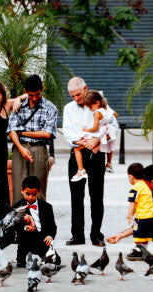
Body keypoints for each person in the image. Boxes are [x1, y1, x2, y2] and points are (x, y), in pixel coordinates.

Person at [62, 77, 107, 247]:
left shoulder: (98, 102)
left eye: (78, 94)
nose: (76, 98)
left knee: (96, 196)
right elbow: (67, 131)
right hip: (77, 153)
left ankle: (96, 234)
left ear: (85, 88)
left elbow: (109, 125)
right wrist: (81, 141)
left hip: (95, 153)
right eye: (72, 96)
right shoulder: (68, 109)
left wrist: (96, 139)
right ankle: (77, 235)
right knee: (76, 196)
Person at [7, 74, 58, 202]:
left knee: (38, 190)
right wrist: (21, 148)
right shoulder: (18, 106)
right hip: (20, 149)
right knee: (19, 190)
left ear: (42, 88)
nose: (34, 98)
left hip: (39, 149)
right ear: (25, 92)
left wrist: (22, 132)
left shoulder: (50, 108)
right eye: (31, 95)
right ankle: (19, 219)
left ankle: (39, 220)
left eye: (37, 94)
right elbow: (11, 130)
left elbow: (47, 133)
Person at [71, 90, 118, 182]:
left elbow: (94, 128)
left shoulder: (97, 113)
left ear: (97, 102)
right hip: (103, 133)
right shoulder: (107, 110)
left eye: (90, 107)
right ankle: (108, 163)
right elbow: (116, 115)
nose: (90, 109)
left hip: (96, 134)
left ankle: (81, 170)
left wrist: (86, 129)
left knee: (76, 147)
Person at [12, 176, 57, 268]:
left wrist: (49, 236)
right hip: (25, 240)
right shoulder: (17, 207)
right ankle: (21, 258)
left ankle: (45, 254)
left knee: (55, 262)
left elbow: (52, 225)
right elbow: (14, 226)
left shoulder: (47, 207)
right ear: (22, 190)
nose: (30, 197)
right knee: (21, 264)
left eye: (34, 194)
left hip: (42, 239)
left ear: (38, 192)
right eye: (27, 194)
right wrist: (25, 228)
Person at [125, 163, 153, 251]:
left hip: (142, 217)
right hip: (152, 216)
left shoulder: (135, 188)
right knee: (145, 236)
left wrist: (130, 215)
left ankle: (139, 249)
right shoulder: (146, 185)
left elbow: (132, 202)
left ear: (131, 177)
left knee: (138, 235)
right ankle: (144, 249)